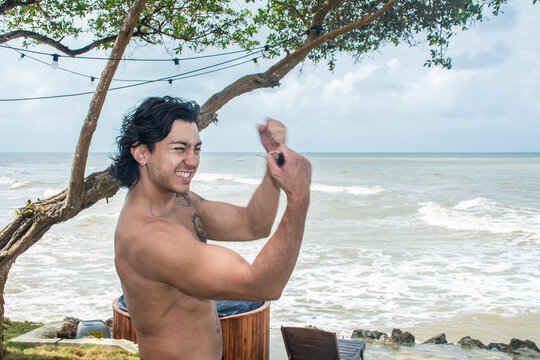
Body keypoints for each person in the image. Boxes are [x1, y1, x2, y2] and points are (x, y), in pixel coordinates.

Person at [110, 96, 311, 360]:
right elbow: (263, 286)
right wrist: (299, 199)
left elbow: (253, 224)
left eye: (196, 149)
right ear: (141, 152)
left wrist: (274, 167)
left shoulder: (180, 201)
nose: (192, 161)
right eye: (179, 149)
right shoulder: (147, 236)